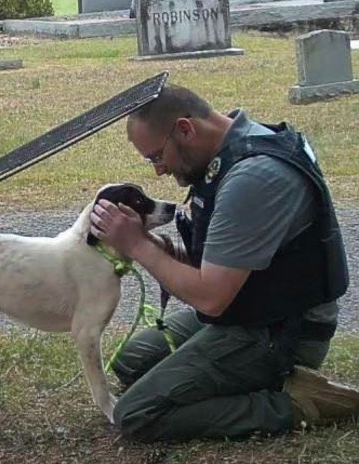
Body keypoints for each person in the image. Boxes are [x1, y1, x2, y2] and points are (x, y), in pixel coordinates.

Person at [90, 82, 358, 442]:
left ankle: (293, 402)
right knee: (133, 360)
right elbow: (216, 266)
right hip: (250, 310)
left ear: (185, 129)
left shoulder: (252, 178)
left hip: (282, 334)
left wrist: (139, 246)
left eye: (156, 157)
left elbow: (211, 297)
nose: (158, 171)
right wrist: (155, 245)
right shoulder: (233, 147)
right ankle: (225, 380)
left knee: (137, 415)